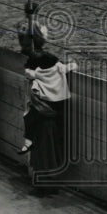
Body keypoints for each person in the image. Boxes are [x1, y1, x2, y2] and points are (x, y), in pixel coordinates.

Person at [22, 48, 79, 194]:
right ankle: (53, 185)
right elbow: (72, 66)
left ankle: (42, 187)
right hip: (58, 118)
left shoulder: (37, 78)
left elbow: (28, 72)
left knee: (41, 156)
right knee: (54, 153)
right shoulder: (59, 70)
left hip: (42, 122)